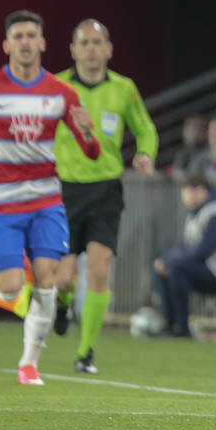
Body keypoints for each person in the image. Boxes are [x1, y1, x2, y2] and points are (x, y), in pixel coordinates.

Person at [0, 10, 101, 385]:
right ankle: (30, 296)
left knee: (48, 278)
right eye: (18, 36)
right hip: (2, 202)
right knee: (9, 287)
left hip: (47, 201)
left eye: (31, 35)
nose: (25, 42)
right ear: (7, 44)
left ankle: (28, 364)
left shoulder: (61, 92)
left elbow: (93, 153)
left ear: (43, 43)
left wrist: (88, 134)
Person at [51, 19, 159, 374]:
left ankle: (86, 353)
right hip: (64, 190)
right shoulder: (57, 87)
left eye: (98, 42)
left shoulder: (124, 89)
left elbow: (144, 127)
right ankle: (63, 303)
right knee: (64, 277)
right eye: (84, 42)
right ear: (73, 50)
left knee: (98, 269)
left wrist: (145, 153)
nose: (91, 49)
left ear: (109, 49)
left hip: (105, 190)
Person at [152, 173, 216, 338]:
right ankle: (170, 325)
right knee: (163, 268)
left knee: (177, 270)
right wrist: (165, 260)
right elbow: (185, 247)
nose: (191, 195)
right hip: (215, 271)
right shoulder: (196, 214)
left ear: (206, 191)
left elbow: (204, 251)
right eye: (186, 190)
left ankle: (182, 328)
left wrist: (171, 262)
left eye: (196, 190)